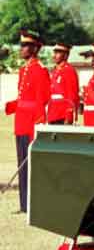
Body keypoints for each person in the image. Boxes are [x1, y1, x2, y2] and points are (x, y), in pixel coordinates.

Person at [4, 30, 50, 214]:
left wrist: (37, 124)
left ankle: (33, 204)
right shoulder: (24, 70)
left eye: (25, 46)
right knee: (21, 163)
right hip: (21, 122)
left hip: (31, 122)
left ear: (34, 49)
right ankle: (24, 205)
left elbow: (42, 99)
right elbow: (23, 97)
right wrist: (13, 106)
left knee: (31, 165)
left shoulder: (39, 69)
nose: (21, 49)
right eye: (21, 45)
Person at [47, 42, 79, 125]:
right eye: (54, 52)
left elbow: (72, 95)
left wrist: (69, 116)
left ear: (65, 55)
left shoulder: (69, 71)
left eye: (58, 53)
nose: (54, 55)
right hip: (53, 113)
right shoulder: (55, 71)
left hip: (62, 115)